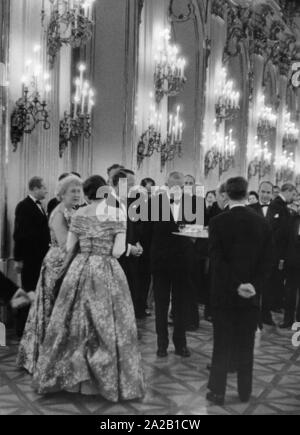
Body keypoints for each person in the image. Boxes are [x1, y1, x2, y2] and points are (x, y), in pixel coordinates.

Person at [33, 175, 145, 401]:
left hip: (80, 269)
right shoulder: (116, 213)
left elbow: (70, 246)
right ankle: (107, 380)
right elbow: (117, 251)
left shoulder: (79, 214)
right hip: (106, 269)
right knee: (109, 325)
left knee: (73, 323)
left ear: (85, 193)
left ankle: (74, 380)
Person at [207, 177, 273, 406]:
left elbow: (217, 262)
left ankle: (217, 392)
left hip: (224, 294)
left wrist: (236, 284)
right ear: (247, 194)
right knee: (246, 344)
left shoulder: (217, 222)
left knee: (221, 344)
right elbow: (267, 262)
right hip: (252, 296)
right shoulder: (262, 223)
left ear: (226, 193)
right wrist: (253, 285)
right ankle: (244, 391)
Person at [17, 175, 83, 374]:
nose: (77, 194)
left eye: (79, 191)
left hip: (71, 261)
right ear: (62, 193)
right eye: (73, 191)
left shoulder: (74, 211)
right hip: (58, 263)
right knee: (53, 308)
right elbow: (65, 244)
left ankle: (62, 357)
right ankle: (47, 358)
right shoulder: (59, 213)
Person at [150, 171, 195, 358]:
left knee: (181, 304)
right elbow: (148, 233)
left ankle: (180, 344)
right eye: (174, 186)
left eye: (181, 187)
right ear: (166, 185)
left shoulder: (193, 203)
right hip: (161, 261)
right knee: (160, 304)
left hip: (183, 261)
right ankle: (161, 344)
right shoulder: (154, 203)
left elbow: (198, 230)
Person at [13, 177, 50, 337]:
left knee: (35, 291)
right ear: (35, 188)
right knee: (28, 291)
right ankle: (22, 328)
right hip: (29, 258)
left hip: (39, 257)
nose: (46, 191)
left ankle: (32, 327)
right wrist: (18, 259)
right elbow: (19, 234)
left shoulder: (40, 206)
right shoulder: (23, 206)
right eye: (43, 188)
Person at [110, 169, 144, 318]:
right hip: (117, 257)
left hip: (128, 255)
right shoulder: (110, 203)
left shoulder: (126, 202)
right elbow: (111, 236)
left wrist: (136, 243)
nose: (131, 189)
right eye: (128, 186)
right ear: (116, 185)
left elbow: (131, 227)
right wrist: (130, 248)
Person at [267, 183, 297, 312]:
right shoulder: (277, 204)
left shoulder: (282, 205)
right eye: (293, 194)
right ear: (288, 191)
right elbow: (277, 228)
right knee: (275, 278)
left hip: (282, 249)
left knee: (278, 277)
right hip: (277, 249)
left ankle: (276, 303)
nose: (294, 197)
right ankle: (273, 304)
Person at [248, 181, 274, 326]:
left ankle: (266, 314)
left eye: (268, 192)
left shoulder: (278, 210)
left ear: (272, 194)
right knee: (254, 285)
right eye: (263, 191)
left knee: (269, 286)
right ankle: (254, 316)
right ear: (258, 192)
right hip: (253, 255)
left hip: (270, 255)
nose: (265, 195)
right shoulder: (249, 209)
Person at [279, 211, 300, 328]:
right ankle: (288, 320)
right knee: (289, 292)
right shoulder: (293, 219)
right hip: (292, 262)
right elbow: (285, 240)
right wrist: (282, 258)